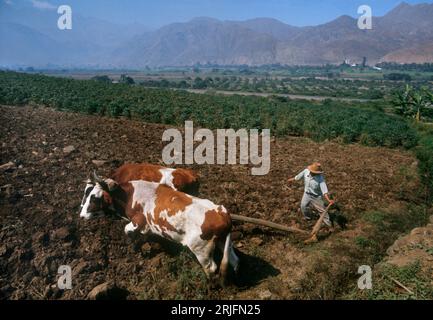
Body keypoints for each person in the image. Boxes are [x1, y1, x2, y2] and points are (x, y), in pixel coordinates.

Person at [288, 162, 335, 228]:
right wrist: (292, 179)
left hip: (316, 197)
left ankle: (329, 225)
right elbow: (298, 177)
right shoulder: (306, 171)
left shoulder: (320, 179)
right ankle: (309, 218)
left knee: (322, 211)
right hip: (306, 194)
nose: (312, 173)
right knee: (303, 206)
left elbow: (324, 191)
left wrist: (328, 200)